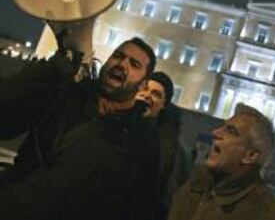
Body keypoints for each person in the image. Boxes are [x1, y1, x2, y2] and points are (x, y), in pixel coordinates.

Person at [0, 37, 160, 220]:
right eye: (117, 56)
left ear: (143, 84)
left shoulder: (143, 140)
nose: (122, 64)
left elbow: (139, 206)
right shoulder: (65, 95)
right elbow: (5, 123)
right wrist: (42, 74)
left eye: (134, 64)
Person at [167, 103, 275, 220]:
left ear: (250, 155)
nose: (215, 132)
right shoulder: (197, 180)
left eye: (231, 131)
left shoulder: (265, 214)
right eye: (223, 126)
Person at [136, 71, 190, 219]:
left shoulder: (170, 148)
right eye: (145, 89)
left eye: (156, 94)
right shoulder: (115, 122)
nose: (147, 95)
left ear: (163, 105)